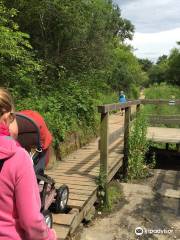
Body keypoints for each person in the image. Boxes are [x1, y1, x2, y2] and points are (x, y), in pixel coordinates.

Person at [0, 88, 57, 240]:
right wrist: (49, 236)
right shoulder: (18, 158)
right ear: (7, 117)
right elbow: (31, 220)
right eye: (14, 118)